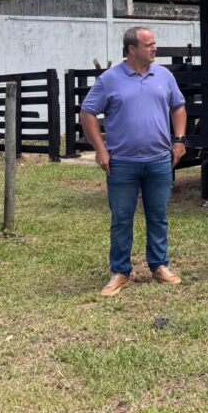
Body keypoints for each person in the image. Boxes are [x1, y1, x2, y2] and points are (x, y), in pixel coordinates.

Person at [80, 26, 188, 297]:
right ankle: (120, 271)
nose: (155, 48)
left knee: (158, 215)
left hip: (159, 160)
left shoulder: (164, 75)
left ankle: (159, 265)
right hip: (122, 163)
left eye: (154, 43)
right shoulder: (110, 79)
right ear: (131, 49)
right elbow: (88, 112)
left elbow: (178, 106)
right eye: (149, 44)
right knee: (121, 217)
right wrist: (100, 149)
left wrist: (179, 139)